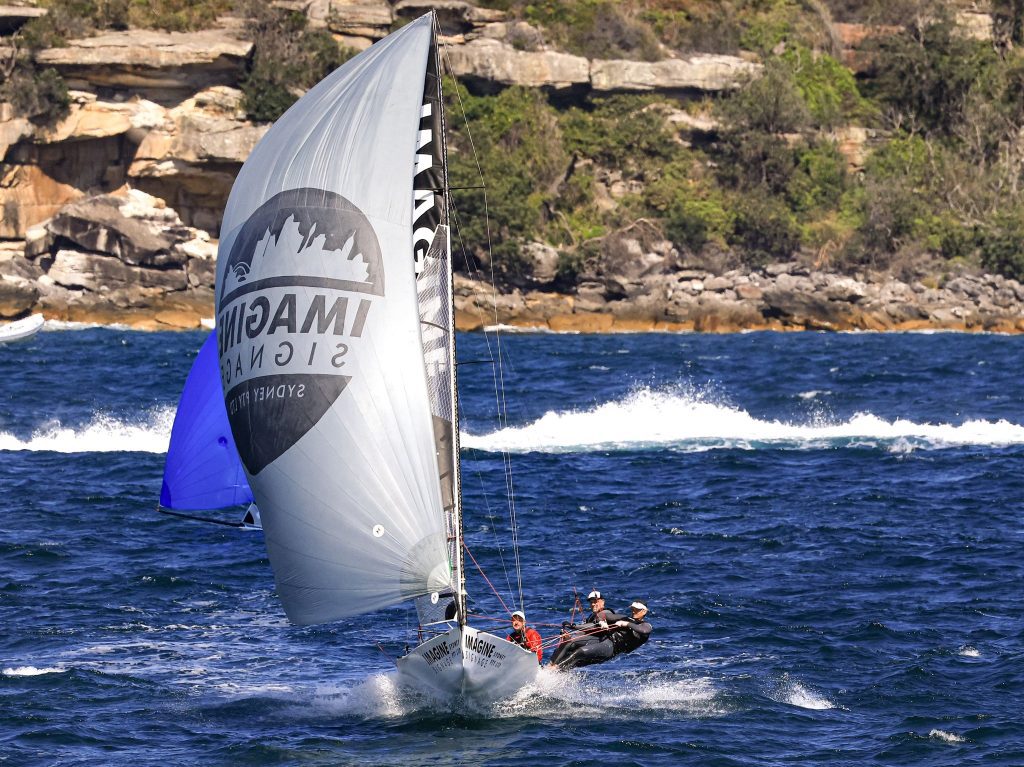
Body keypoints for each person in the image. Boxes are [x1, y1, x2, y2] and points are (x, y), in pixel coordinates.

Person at [551, 599, 653, 671]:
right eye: (633, 608)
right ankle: (550, 666)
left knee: (580, 652)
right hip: (603, 640)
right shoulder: (624, 617)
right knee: (570, 643)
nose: (634, 611)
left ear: (644, 611)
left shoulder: (645, 625)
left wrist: (626, 624)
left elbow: (644, 631)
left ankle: (554, 671)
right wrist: (601, 622)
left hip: (611, 648)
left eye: (637, 609)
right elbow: (602, 615)